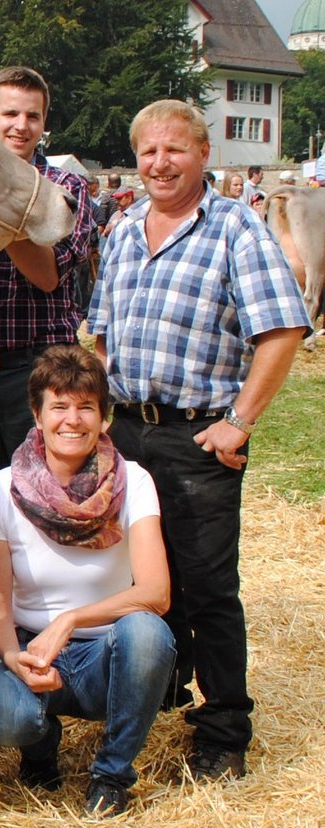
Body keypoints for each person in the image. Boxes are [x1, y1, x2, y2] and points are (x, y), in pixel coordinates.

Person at [88, 101, 311, 781]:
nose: (160, 164)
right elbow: (101, 334)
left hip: (198, 435)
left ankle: (224, 730)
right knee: (145, 576)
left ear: (204, 154)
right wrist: (103, 421)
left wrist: (238, 421)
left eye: (174, 150)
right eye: (148, 152)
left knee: (209, 585)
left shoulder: (235, 228)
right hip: (129, 430)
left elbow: (282, 330)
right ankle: (165, 689)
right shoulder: (123, 229)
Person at [0, 346, 175, 817]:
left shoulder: (133, 482)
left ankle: (111, 775)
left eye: (86, 407)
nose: (72, 420)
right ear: (37, 414)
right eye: (59, 406)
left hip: (106, 652)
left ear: (104, 417)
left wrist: (69, 620)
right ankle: (39, 744)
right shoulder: (0, 489)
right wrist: (14, 657)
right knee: (9, 720)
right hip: (29, 645)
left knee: (149, 634)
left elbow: (156, 593)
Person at [0, 66, 96, 487]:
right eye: (11, 113)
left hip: (41, 369)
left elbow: (48, 276)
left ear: (44, 123)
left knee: (45, 494)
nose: (21, 126)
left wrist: (0, 203)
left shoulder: (66, 186)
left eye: (33, 116)